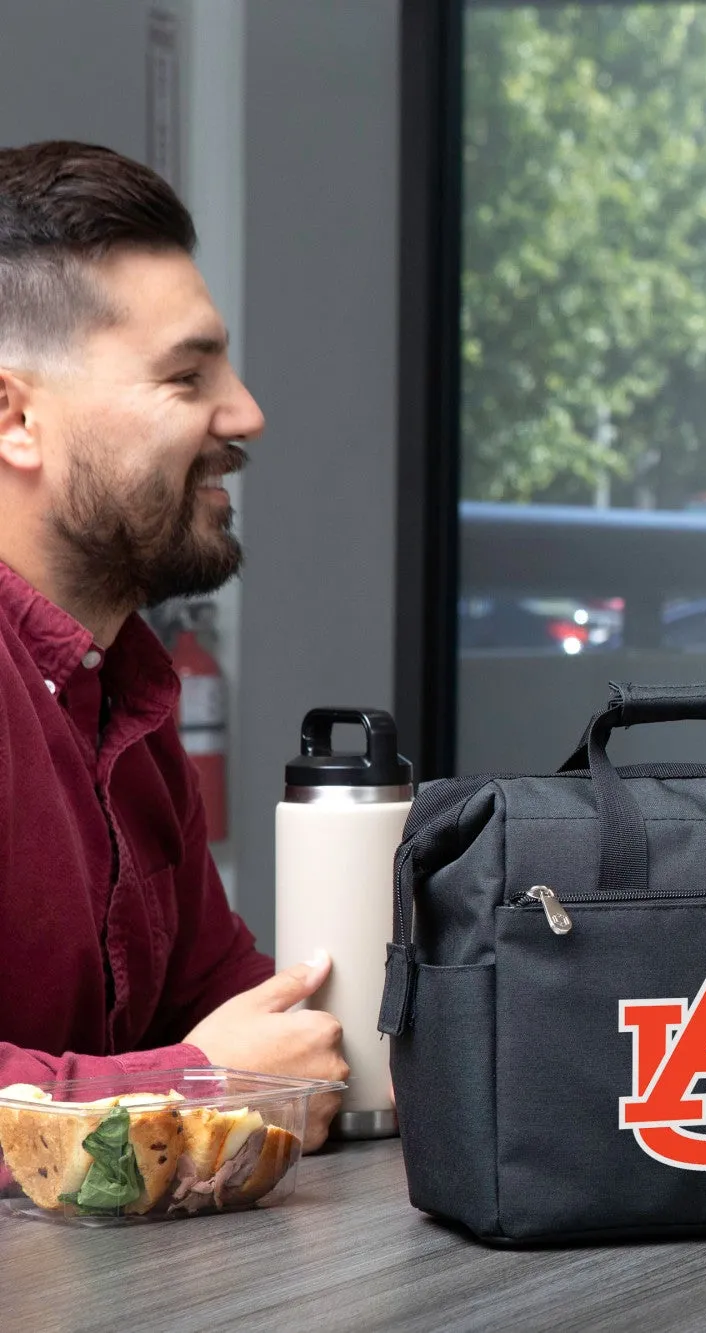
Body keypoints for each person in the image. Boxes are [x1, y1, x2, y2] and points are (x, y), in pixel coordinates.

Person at [0, 141, 345, 1147]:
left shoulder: (125, 691)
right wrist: (202, 1084)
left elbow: (245, 1017)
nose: (244, 414)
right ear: (15, 416)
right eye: (188, 375)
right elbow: (226, 1062)